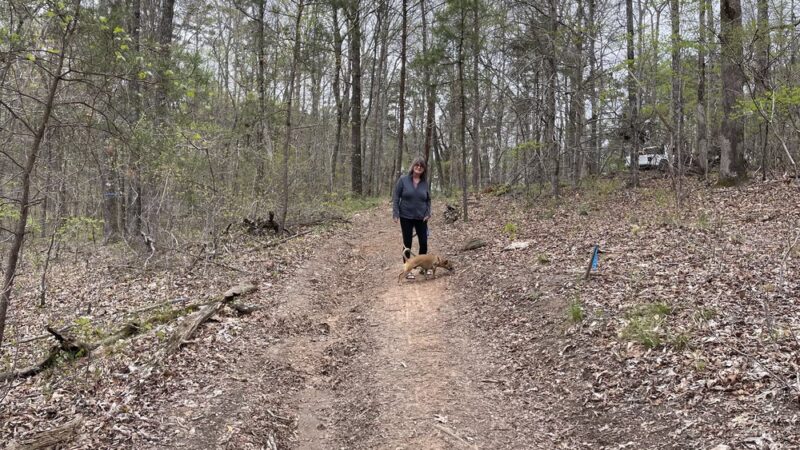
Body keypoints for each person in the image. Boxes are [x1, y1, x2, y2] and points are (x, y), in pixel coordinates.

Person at [392, 157, 431, 279]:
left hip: (421, 217)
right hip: (406, 216)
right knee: (407, 243)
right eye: (417, 165)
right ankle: (407, 270)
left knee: (423, 243)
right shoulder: (403, 180)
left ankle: (422, 267)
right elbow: (396, 197)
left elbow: (428, 200)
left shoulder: (425, 183)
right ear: (413, 166)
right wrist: (395, 213)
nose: (419, 167)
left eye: (421, 166)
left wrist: (428, 213)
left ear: (424, 169)